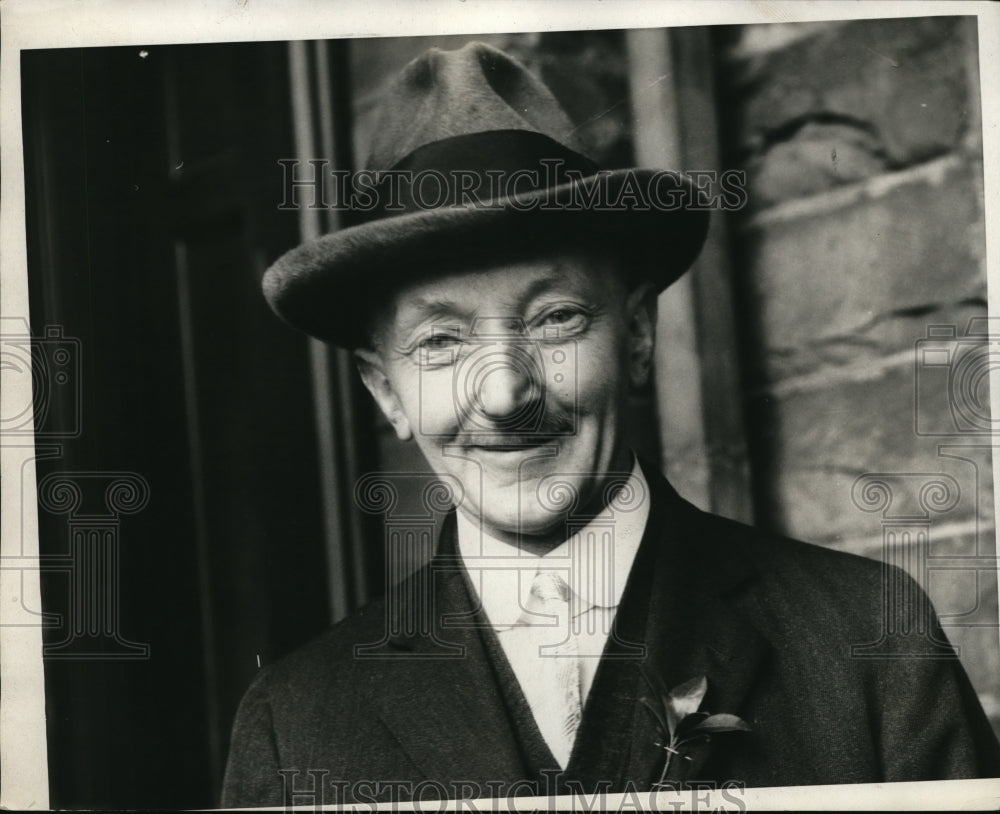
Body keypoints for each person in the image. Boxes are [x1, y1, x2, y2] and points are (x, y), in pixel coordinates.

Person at [221, 41, 1000, 807]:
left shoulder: (871, 640)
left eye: (556, 319)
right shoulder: (295, 726)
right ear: (385, 390)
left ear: (635, 337)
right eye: (441, 341)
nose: (503, 395)